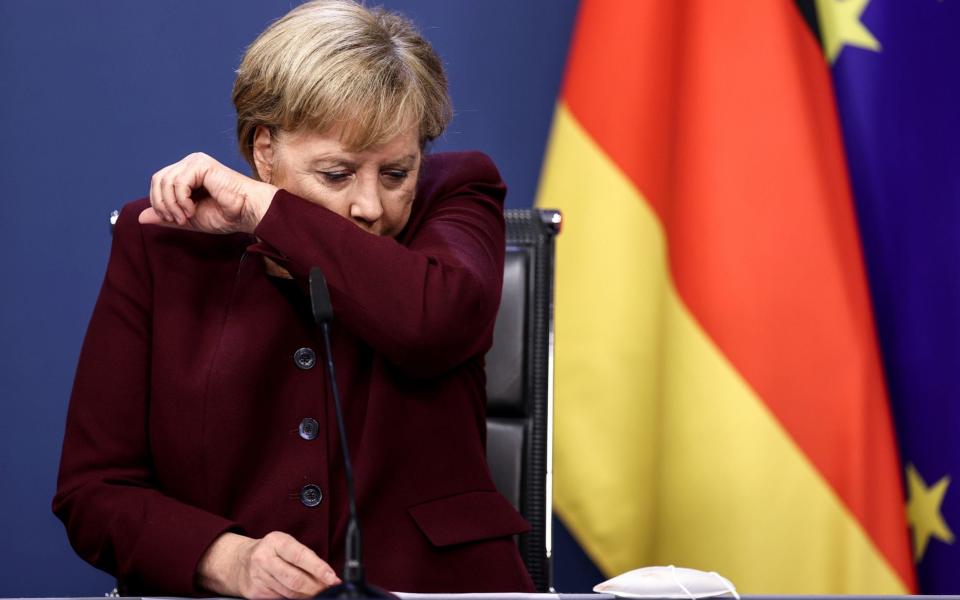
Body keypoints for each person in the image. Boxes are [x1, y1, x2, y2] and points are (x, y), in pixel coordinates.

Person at [52, 1, 534, 597]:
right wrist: (227, 559)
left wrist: (260, 208)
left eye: (395, 173)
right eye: (335, 174)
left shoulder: (458, 192)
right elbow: (93, 490)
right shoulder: (158, 244)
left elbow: (433, 320)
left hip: (433, 586)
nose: (369, 207)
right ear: (264, 152)